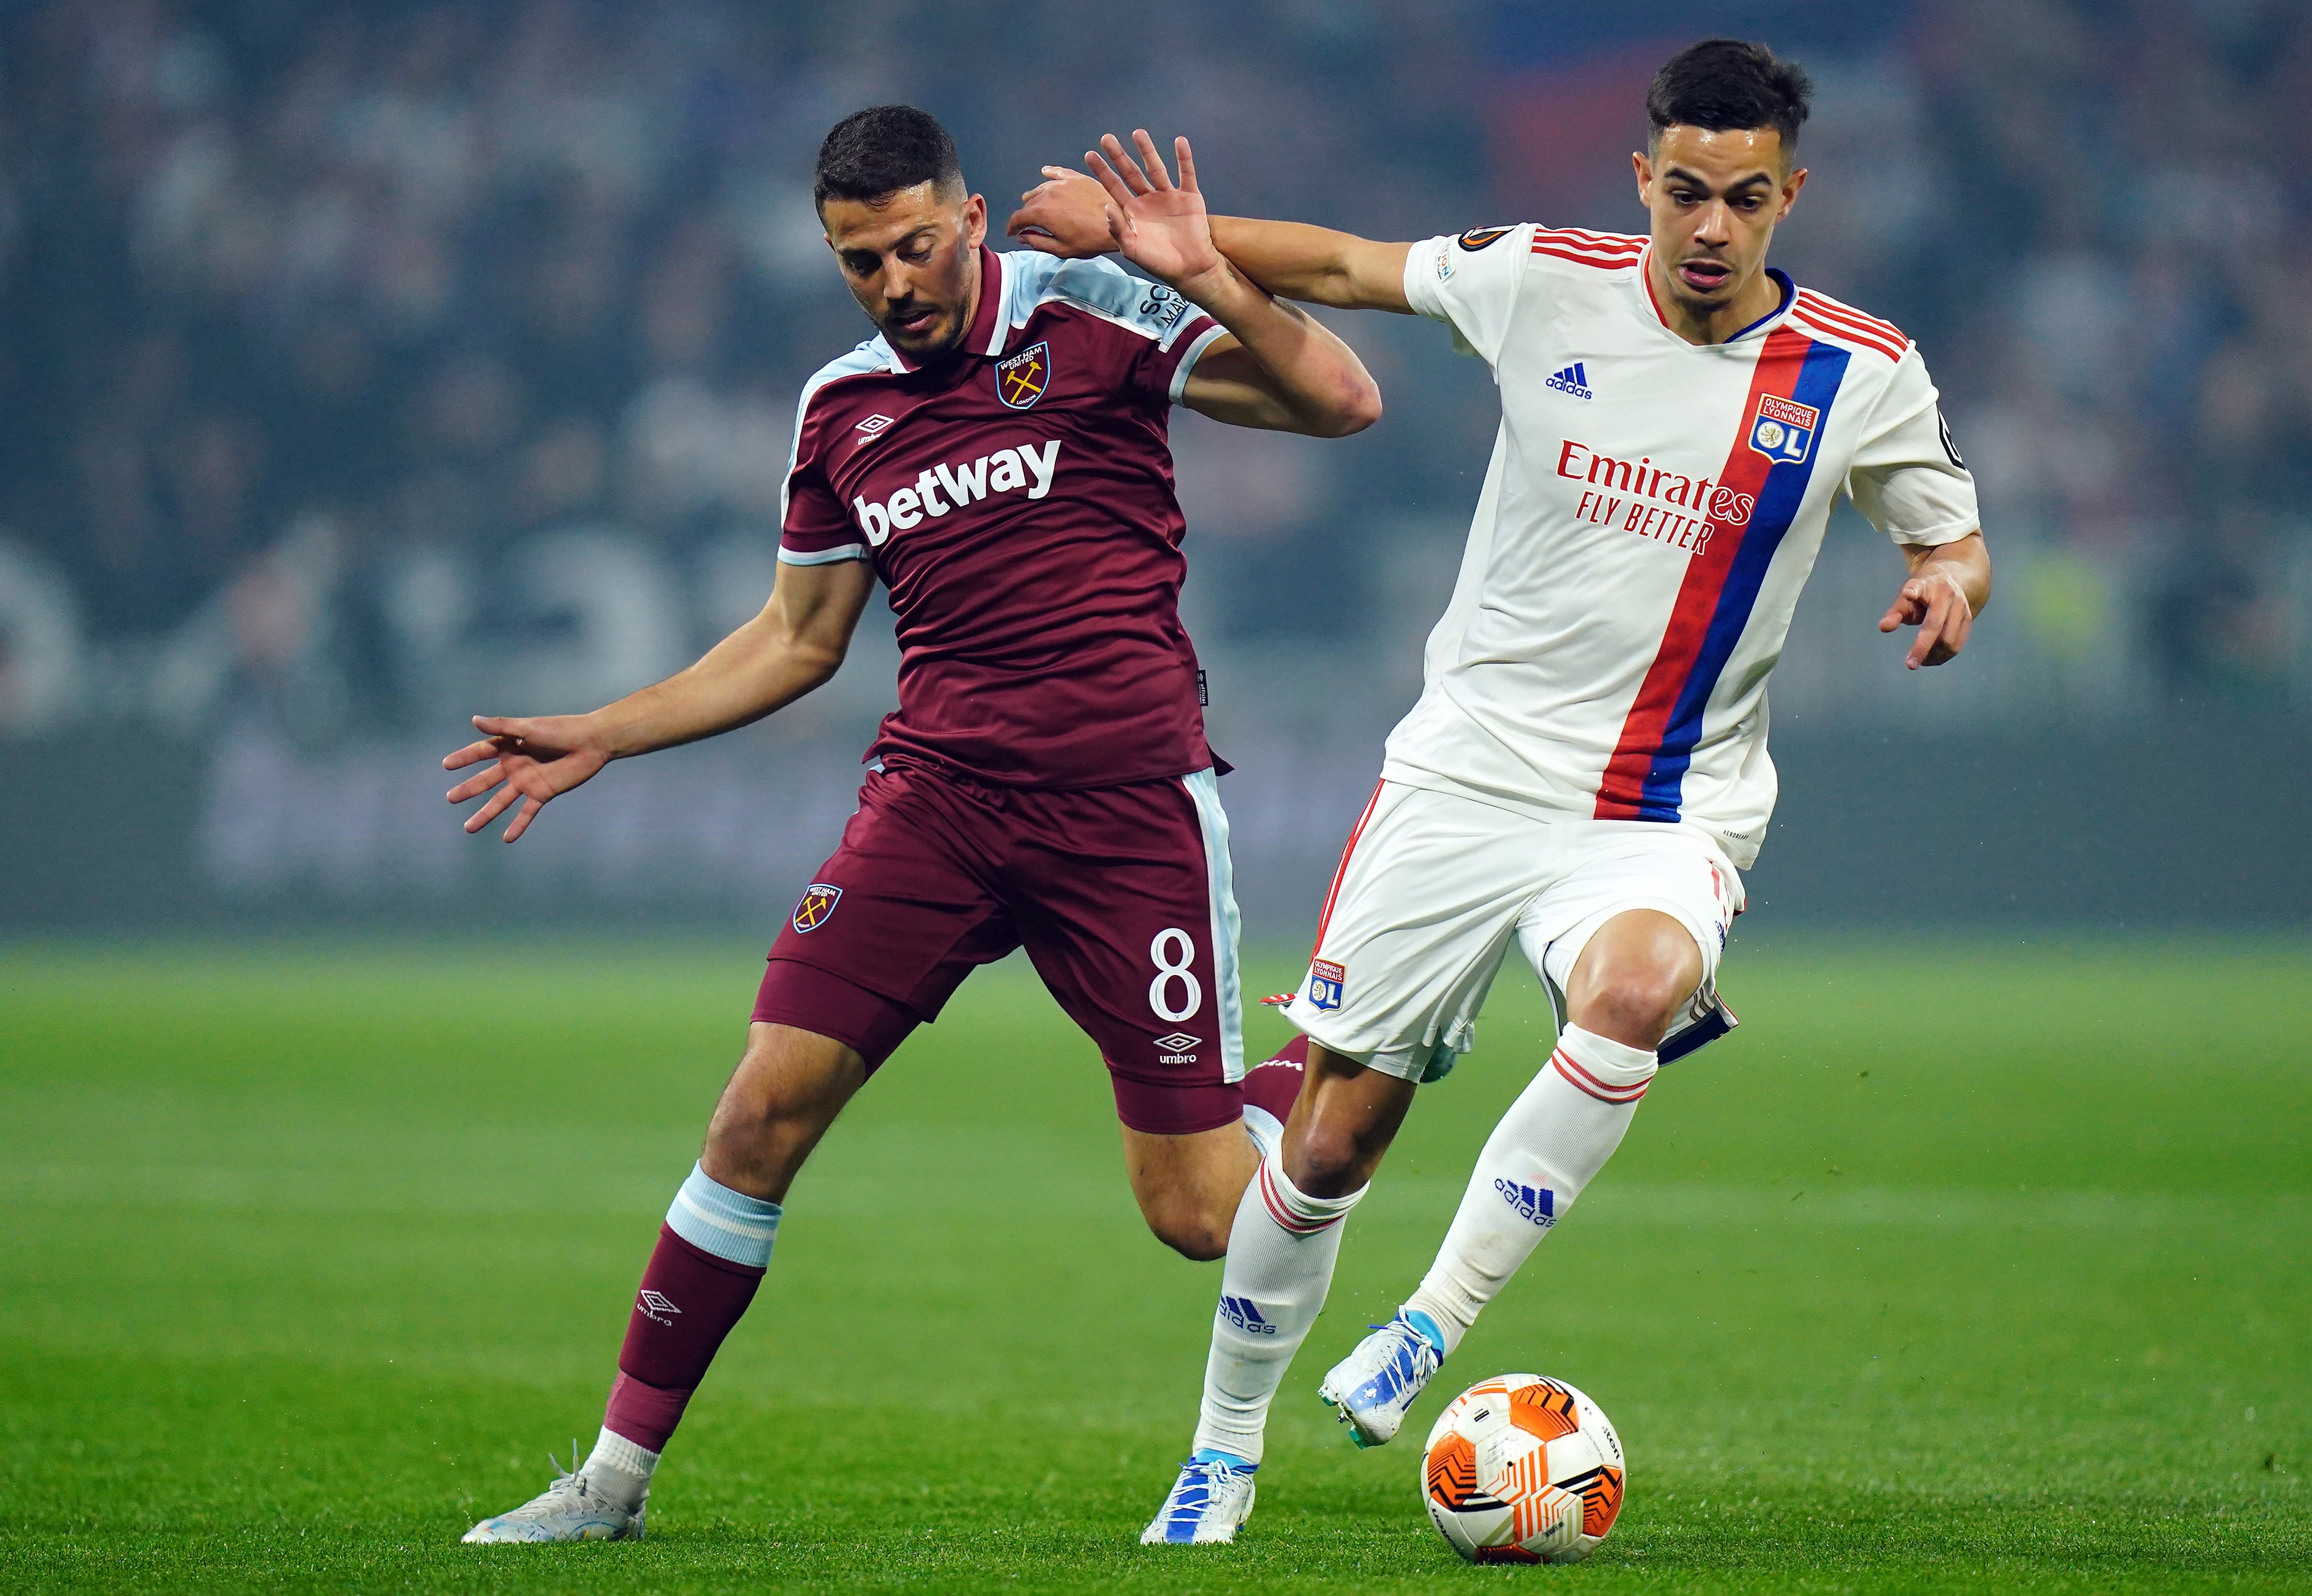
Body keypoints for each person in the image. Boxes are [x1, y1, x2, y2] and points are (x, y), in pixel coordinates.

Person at [1010, 38, 1991, 1544]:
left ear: (1790, 194)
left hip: (1664, 806)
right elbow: (1346, 265)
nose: (1709, 227)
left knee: (1640, 988)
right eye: (1683, 192)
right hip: (1464, 780)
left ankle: (1426, 1328)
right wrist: (1191, 252)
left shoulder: (1862, 372)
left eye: (1742, 198)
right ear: (1640, 182)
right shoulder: (1542, 276)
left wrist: (1945, 577)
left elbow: (1949, 533)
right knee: (1331, 1144)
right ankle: (1220, 1451)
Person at [452, 104, 1380, 1543]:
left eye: (911, 246)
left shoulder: (1095, 309)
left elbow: (1339, 400)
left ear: (968, 217)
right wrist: (606, 731)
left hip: (1126, 812)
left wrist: (1195, 269)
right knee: (759, 1112)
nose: (893, 282)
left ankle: (1326, 1069)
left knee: (1200, 1217)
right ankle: (612, 1485)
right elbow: (796, 637)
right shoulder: (839, 409)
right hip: (933, 805)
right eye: (858, 263)